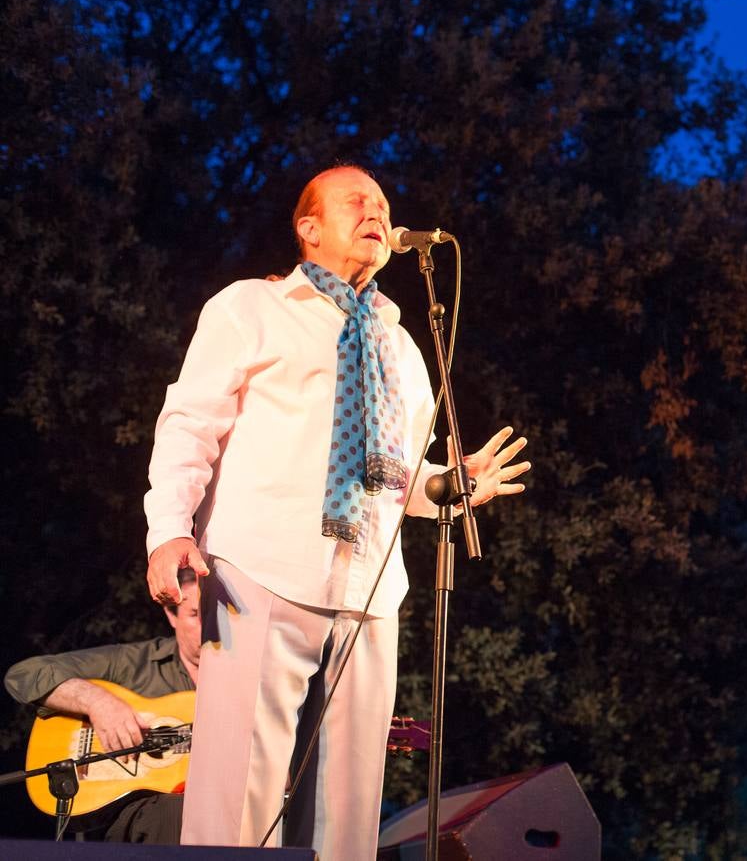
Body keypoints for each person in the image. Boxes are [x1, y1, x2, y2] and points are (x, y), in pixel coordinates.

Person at [143, 165, 528, 859]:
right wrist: (168, 530)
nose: (375, 210)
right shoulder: (250, 309)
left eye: (382, 203)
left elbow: (398, 478)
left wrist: (449, 484)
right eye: (356, 200)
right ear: (309, 228)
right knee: (238, 799)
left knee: (351, 812)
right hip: (259, 572)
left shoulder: (404, 345)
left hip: (370, 591)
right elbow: (189, 424)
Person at [4, 568, 202, 844]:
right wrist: (98, 702)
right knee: (175, 811)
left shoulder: (249, 677)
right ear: (172, 614)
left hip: (217, 802)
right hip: (141, 814)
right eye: (195, 614)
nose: (209, 626)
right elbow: (24, 674)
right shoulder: (133, 663)